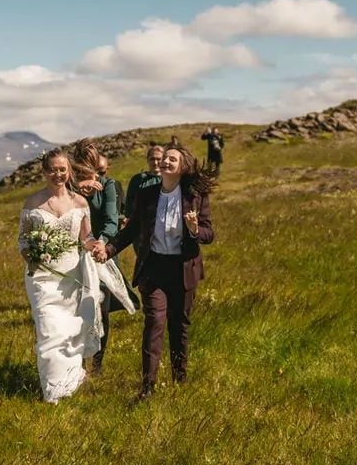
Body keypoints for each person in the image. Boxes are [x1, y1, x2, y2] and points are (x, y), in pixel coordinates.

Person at [91, 144, 215, 404]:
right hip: (154, 268)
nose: (165, 162)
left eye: (172, 159)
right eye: (165, 158)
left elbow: (208, 234)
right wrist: (109, 250)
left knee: (179, 327)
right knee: (154, 324)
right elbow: (132, 229)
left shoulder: (195, 195)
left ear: (182, 167)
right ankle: (148, 387)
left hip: (183, 269)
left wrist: (193, 229)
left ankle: (179, 380)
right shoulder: (147, 194)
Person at [18, 148, 133, 403]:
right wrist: (32, 257)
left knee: (69, 330)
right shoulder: (32, 203)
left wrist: (98, 247)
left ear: (68, 171)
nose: (57, 174)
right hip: (41, 277)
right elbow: (23, 241)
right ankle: (53, 390)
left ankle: (70, 379)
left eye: (62, 169)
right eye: (52, 170)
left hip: (71, 276)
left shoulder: (79, 202)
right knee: (48, 330)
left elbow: (86, 238)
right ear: (44, 171)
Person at [71, 143, 139, 375]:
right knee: (73, 310)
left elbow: (111, 220)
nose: (97, 177)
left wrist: (101, 243)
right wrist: (78, 187)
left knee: (100, 307)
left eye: (100, 172)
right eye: (90, 172)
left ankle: (96, 366)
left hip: (101, 254)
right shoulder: (69, 188)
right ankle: (75, 364)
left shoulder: (108, 186)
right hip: (71, 256)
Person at [123, 144, 164, 227]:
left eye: (159, 159)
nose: (155, 163)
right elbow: (129, 204)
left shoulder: (170, 179)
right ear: (147, 160)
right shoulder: (138, 180)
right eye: (152, 159)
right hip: (140, 225)